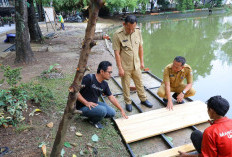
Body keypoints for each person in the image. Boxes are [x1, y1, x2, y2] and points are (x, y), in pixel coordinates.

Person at [112, 15, 153, 112]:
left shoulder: (137, 31)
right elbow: (117, 53)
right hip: (125, 66)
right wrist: (120, 68)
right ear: (124, 24)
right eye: (129, 28)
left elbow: (140, 47)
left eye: (133, 28)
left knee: (139, 83)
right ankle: (128, 102)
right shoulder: (117, 35)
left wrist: (142, 62)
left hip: (136, 64)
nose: (131, 31)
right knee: (126, 85)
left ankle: (143, 99)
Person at [76, 61, 128, 129]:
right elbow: (76, 91)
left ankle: (94, 114)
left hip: (94, 104)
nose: (110, 74)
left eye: (111, 72)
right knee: (102, 110)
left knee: (112, 112)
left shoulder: (105, 84)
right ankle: (92, 121)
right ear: (102, 71)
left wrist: (121, 109)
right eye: (109, 72)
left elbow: (111, 97)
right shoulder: (89, 78)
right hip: (82, 106)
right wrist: (86, 102)